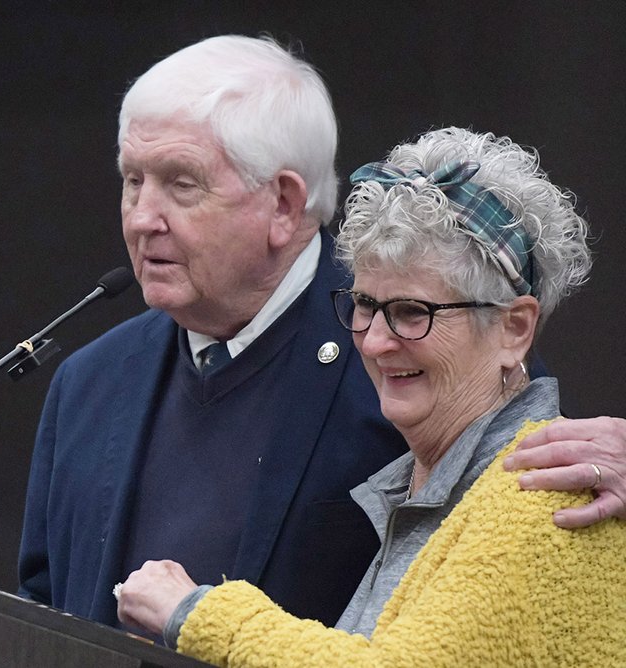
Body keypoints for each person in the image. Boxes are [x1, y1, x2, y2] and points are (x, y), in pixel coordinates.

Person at [18, 34, 626, 631]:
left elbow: (542, 518)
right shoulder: (87, 382)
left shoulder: (415, 351)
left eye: (181, 183)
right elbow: (46, 602)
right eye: (132, 181)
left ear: (284, 203)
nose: (143, 217)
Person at [116, 127, 626, 665]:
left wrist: (196, 614)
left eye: (413, 312)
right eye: (365, 304)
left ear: (514, 329)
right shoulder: (433, 485)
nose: (377, 342)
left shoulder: (546, 489)